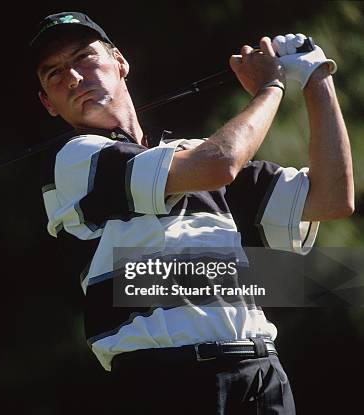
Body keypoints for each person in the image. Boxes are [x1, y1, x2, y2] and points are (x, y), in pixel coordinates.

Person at [32, 11, 353, 414]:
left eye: (83, 57)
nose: (74, 77)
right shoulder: (74, 162)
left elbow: (331, 199)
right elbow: (220, 162)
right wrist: (271, 88)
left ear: (119, 62)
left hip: (260, 376)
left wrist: (316, 79)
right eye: (55, 74)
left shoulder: (191, 153)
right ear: (48, 103)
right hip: (166, 382)